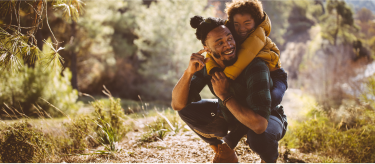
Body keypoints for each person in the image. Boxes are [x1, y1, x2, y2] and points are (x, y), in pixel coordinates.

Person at [171, 15, 287, 164]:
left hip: (268, 116)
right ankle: (224, 152)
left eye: (229, 38)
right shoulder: (208, 65)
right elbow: (177, 104)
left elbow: (259, 125)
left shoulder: (255, 66)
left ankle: (269, 160)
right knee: (187, 111)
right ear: (207, 49)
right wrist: (188, 73)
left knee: (259, 137)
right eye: (219, 43)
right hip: (231, 114)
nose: (229, 45)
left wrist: (224, 95)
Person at [205, 0, 288, 110]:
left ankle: (274, 117)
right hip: (256, 75)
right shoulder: (230, 35)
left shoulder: (257, 36)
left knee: (270, 100)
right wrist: (214, 69)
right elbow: (210, 53)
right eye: (236, 24)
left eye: (247, 23)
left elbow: (242, 59)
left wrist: (225, 78)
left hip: (275, 76)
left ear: (256, 21)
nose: (242, 28)